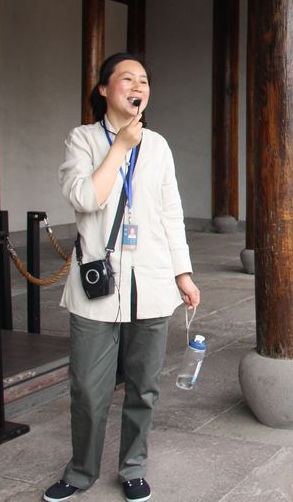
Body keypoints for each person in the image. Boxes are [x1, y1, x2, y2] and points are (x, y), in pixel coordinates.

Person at [44, 53, 200, 502]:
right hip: (97, 284)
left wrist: (183, 273)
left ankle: (133, 467)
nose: (138, 87)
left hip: (150, 281)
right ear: (104, 89)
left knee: (143, 387)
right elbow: (85, 197)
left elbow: (171, 213)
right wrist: (120, 148)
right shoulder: (82, 139)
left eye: (144, 81)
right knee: (87, 389)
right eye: (127, 79)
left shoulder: (159, 146)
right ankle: (80, 472)